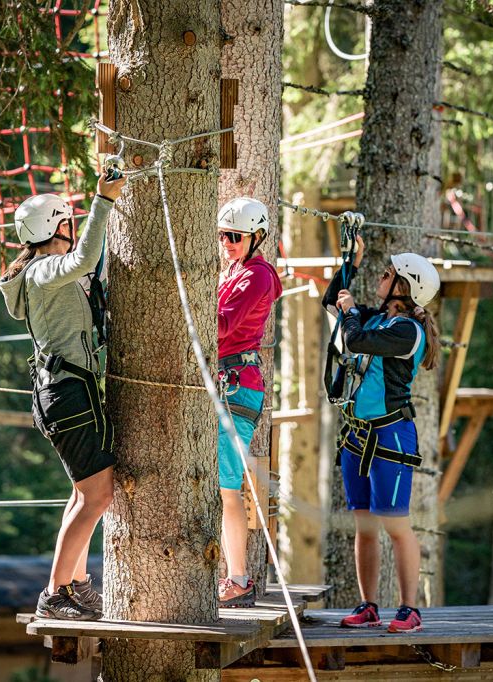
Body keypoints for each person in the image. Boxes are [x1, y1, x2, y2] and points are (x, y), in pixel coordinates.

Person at [0, 171, 124, 620]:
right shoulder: (46, 271)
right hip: (69, 393)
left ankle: (74, 583)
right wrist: (103, 200)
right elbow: (86, 258)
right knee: (98, 496)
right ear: (57, 229)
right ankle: (55, 593)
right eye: (69, 223)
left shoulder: (38, 274)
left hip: (65, 392)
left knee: (83, 494)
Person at [321, 235, 440, 633]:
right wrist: (350, 263)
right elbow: (331, 305)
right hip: (357, 435)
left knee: (395, 524)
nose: (381, 277)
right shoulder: (375, 318)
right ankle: (368, 604)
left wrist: (352, 308)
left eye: (387, 273)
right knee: (365, 525)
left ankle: (410, 609)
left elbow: (353, 336)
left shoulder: (405, 331)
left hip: (389, 436)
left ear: (402, 287)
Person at [215, 197, 282, 608]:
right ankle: (232, 575)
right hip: (227, 383)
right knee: (219, 487)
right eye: (223, 235)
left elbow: (222, 327)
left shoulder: (256, 276)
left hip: (238, 387)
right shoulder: (235, 270)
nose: (227, 243)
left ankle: (239, 579)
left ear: (257, 237)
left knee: (227, 489)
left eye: (235, 236)